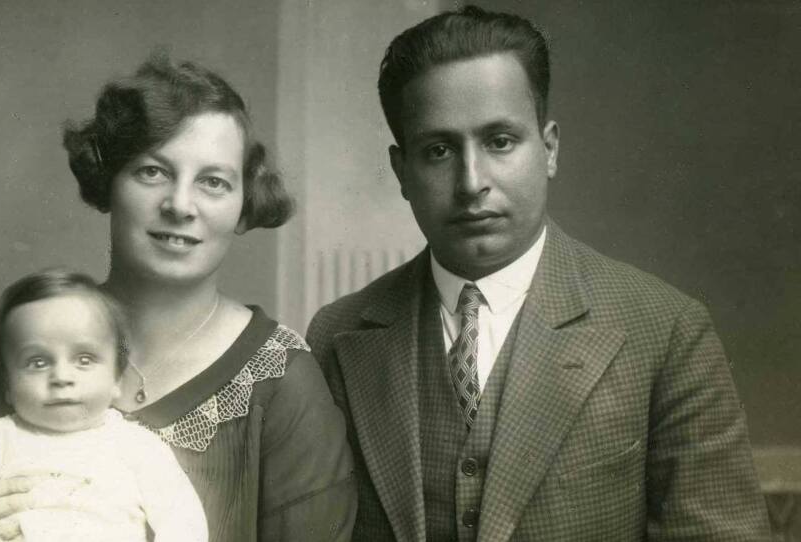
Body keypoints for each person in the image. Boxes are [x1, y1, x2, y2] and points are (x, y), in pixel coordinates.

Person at [307, 5, 771, 541]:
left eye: (500, 141)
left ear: (548, 149)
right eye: (438, 150)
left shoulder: (666, 332)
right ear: (401, 171)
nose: (471, 181)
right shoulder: (336, 337)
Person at [0, 55, 356, 541]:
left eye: (213, 182)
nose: (180, 205)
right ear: (109, 182)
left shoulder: (284, 384)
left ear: (243, 205)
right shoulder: (28, 346)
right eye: (152, 172)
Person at [0, 269, 208, 542]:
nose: (61, 377)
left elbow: (182, 518)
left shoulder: (138, 445)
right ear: (8, 386)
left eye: (84, 359)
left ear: (117, 379)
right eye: (38, 362)